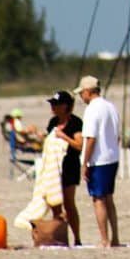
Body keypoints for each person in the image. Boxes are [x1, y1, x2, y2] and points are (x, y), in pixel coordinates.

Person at [74, 75, 120, 248]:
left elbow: (91, 138)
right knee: (109, 198)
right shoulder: (110, 106)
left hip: (98, 160)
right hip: (112, 158)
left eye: (81, 93)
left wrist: (84, 163)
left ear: (88, 91)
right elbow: (117, 136)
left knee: (98, 199)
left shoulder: (92, 110)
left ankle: (104, 239)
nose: (81, 97)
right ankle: (115, 238)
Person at [46, 90, 83, 246]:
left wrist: (64, 137)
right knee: (54, 203)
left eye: (56, 104)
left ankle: (77, 238)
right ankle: (60, 238)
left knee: (69, 203)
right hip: (54, 166)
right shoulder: (52, 122)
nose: (53, 107)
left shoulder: (75, 122)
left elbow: (79, 145)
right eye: (52, 104)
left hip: (70, 166)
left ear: (65, 106)